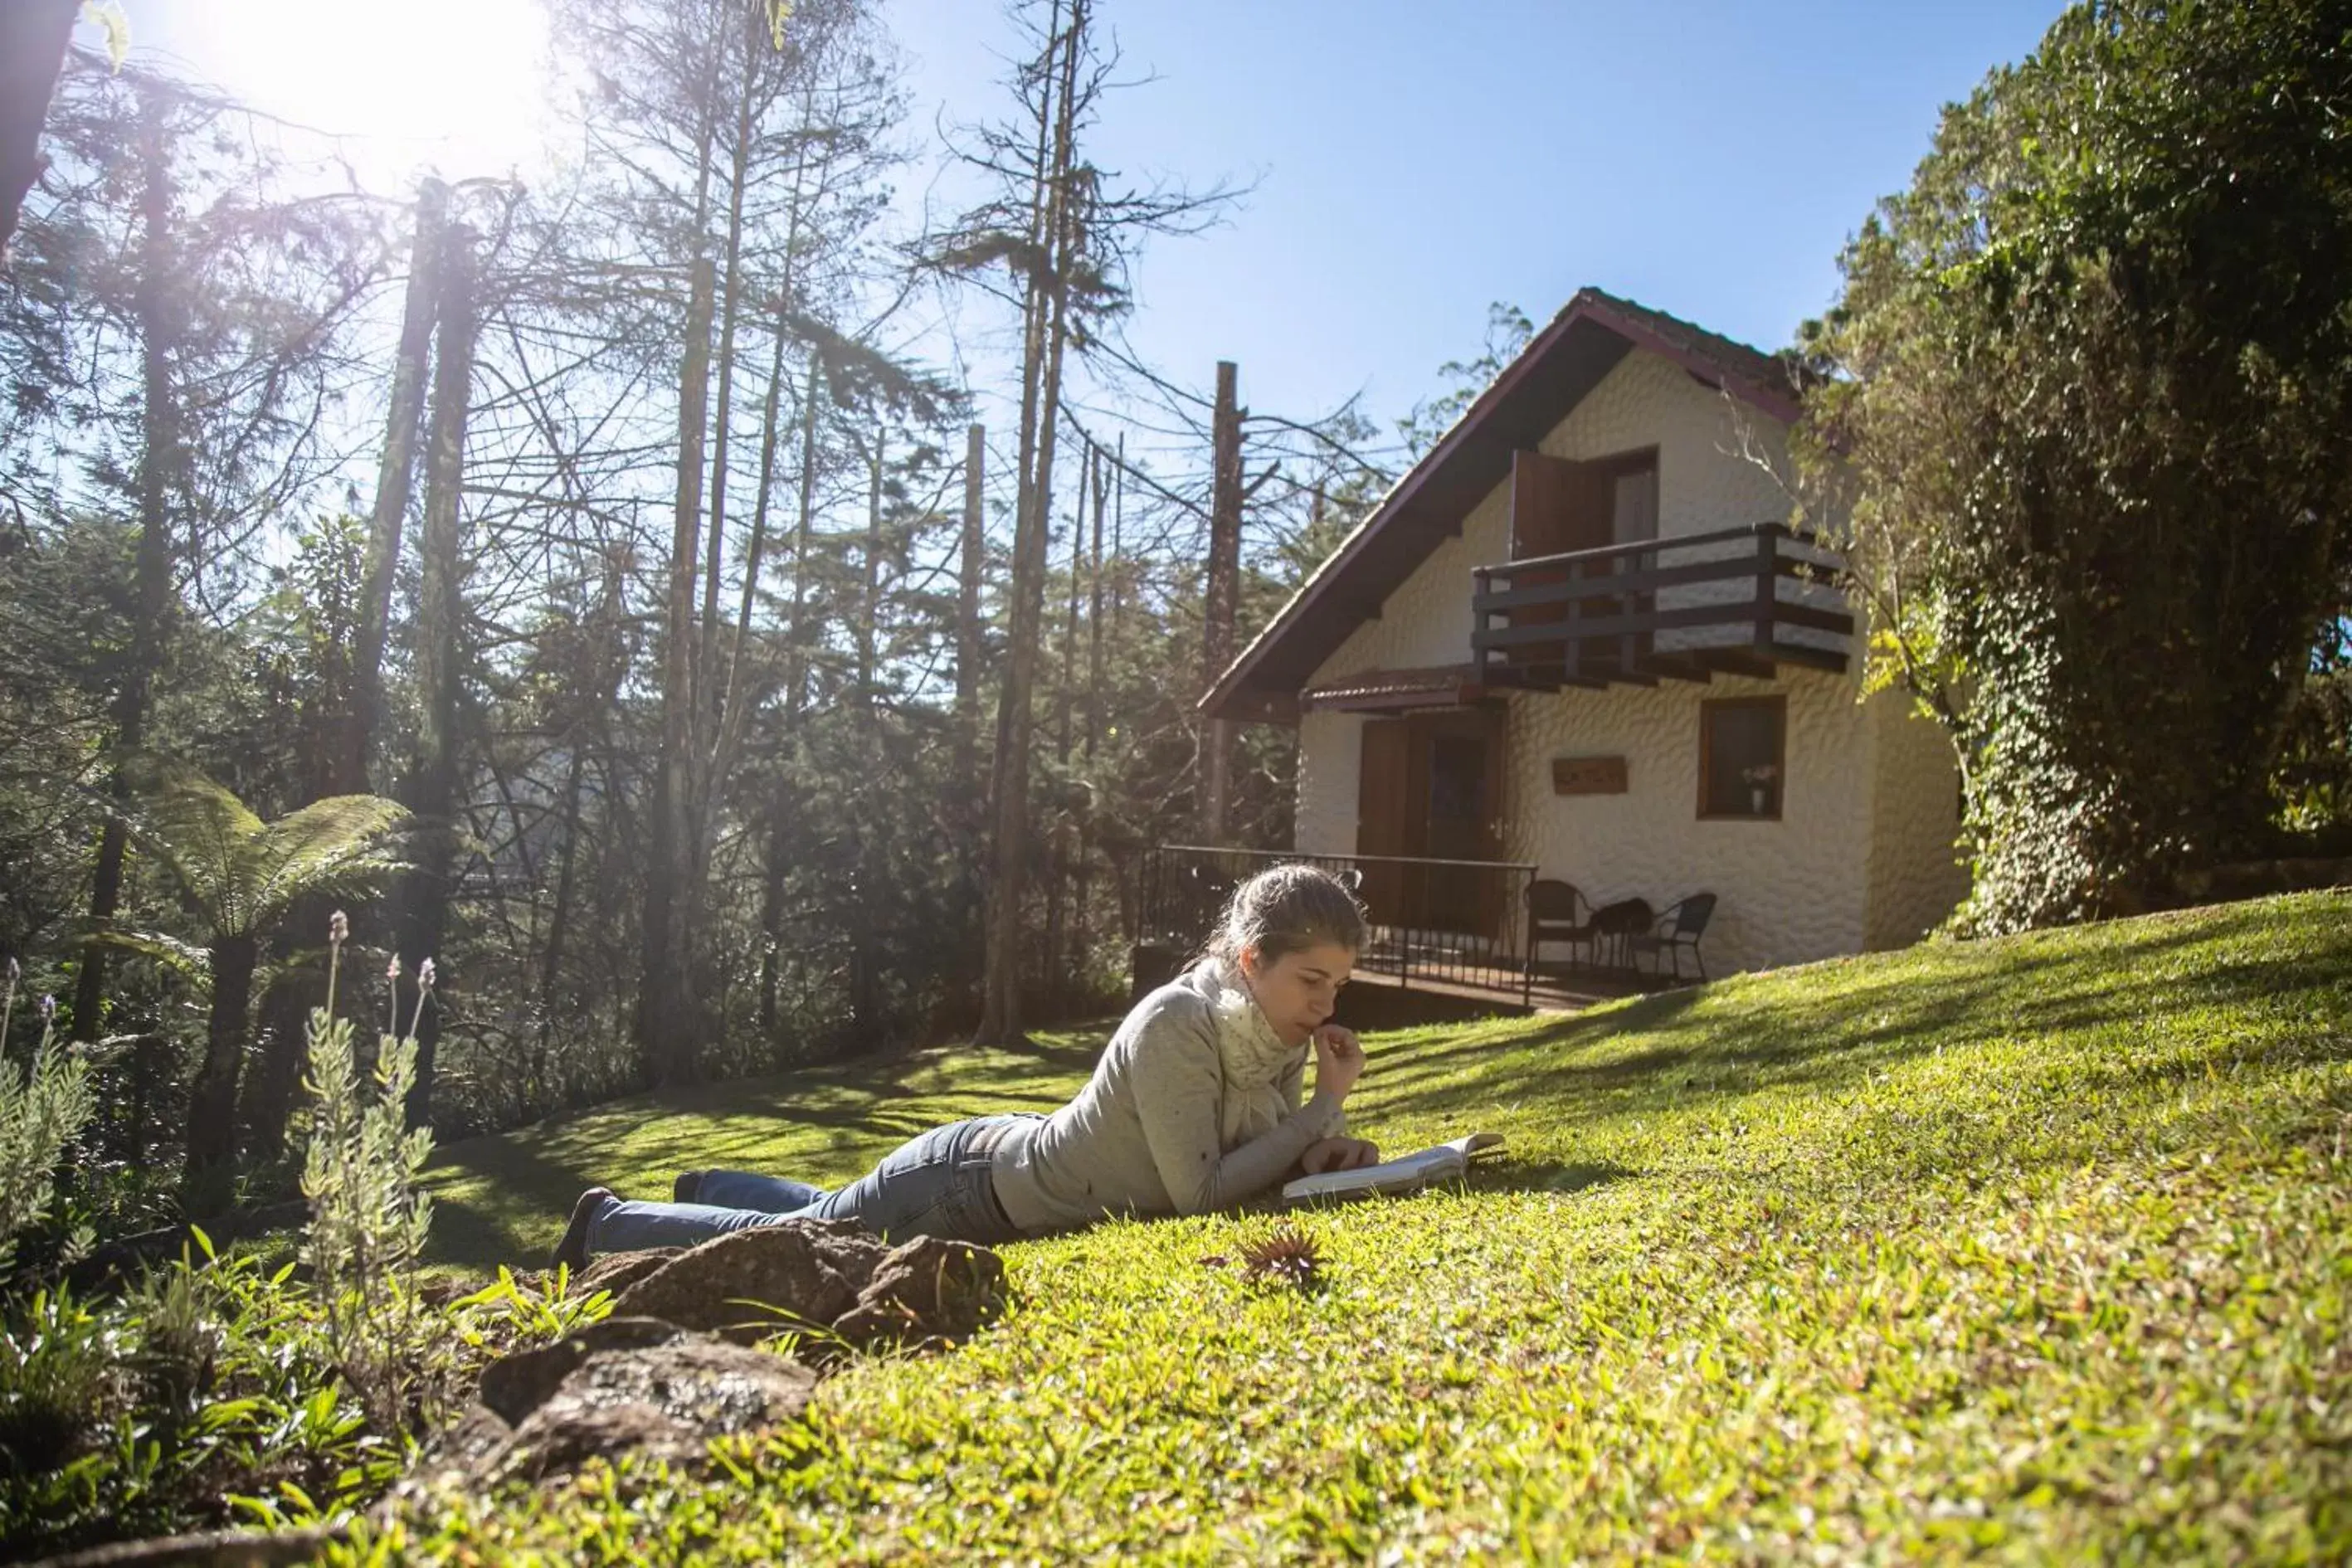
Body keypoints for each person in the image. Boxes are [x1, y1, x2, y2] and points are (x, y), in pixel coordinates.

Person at [550, 863, 1381, 1269]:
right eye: (1312, 980)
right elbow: (1198, 1193)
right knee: (807, 1240)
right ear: (1248, 959)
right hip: (971, 1186)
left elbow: (1240, 1156)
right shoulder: (1178, 1022)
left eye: (1337, 985)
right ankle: (605, 1224)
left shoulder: (1267, 1040)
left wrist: (1320, 1151)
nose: (1326, 1004)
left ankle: (708, 1187)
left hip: (1003, 1171)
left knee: (830, 1209)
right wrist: (1321, 1113)